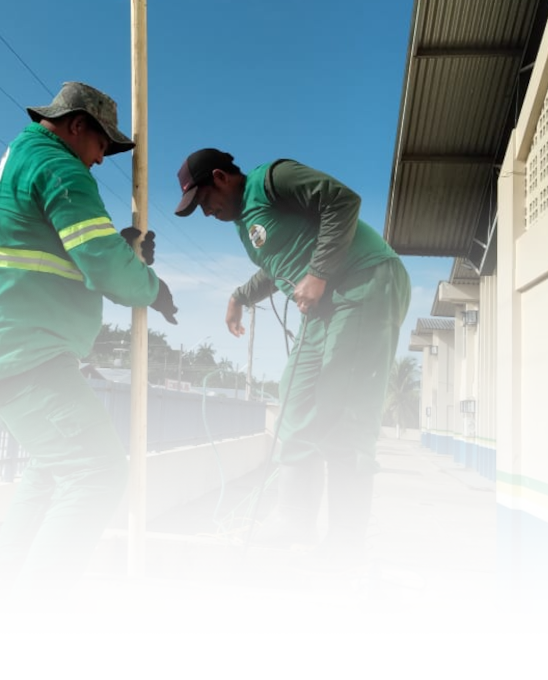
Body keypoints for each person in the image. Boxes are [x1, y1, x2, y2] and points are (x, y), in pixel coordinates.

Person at [0, 81, 179, 634]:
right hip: (18, 344)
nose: (102, 160)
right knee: (96, 471)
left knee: (54, 466)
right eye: (103, 146)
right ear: (78, 127)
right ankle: (23, 623)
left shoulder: (24, 156)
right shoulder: (62, 168)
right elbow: (99, 263)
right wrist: (148, 282)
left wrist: (122, 253)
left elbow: (63, 252)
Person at [172, 148, 411, 578]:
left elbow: (343, 201)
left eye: (205, 201)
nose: (206, 212)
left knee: (343, 404)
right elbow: (278, 263)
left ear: (222, 177)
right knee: (295, 399)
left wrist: (318, 273)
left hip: (364, 282)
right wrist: (240, 296)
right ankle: (294, 518)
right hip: (324, 306)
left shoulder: (273, 179)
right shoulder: (245, 224)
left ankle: (347, 542)